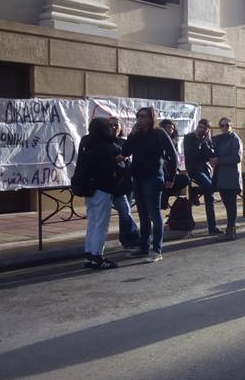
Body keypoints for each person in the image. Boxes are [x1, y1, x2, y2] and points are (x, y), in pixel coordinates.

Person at [121, 107, 178, 263]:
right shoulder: (137, 134)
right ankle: (144, 246)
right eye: (138, 116)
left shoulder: (159, 133)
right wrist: (131, 134)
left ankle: (156, 250)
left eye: (143, 116)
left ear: (151, 118)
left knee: (154, 213)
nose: (140, 119)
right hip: (138, 177)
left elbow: (173, 155)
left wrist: (171, 178)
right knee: (143, 214)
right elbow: (125, 152)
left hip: (153, 177)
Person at [75, 117, 127, 269]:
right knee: (101, 225)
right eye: (108, 126)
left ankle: (89, 255)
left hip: (88, 188)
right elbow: (110, 167)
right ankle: (97, 257)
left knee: (92, 222)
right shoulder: (107, 146)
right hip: (103, 188)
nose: (111, 128)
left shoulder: (86, 142)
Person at [106, 116, 140, 250]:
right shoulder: (103, 143)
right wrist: (115, 159)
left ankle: (126, 239)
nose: (114, 127)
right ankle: (132, 237)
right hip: (112, 184)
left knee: (126, 212)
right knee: (125, 211)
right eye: (111, 125)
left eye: (116, 125)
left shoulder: (124, 142)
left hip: (127, 182)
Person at [183, 119, 221, 235]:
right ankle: (195, 192)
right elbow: (191, 154)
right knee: (209, 188)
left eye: (204, 128)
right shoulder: (189, 137)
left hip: (205, 170)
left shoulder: (206, 140)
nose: (201, 129)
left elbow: (211, 155)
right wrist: (200, 142)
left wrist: (206, 142)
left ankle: (212, 227)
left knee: (211, 192)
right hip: (194, 169)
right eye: (200, 127)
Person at [211, 117, 243, 241]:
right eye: (222, 125)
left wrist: (219, 160)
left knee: (231, 205)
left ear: (231, 126)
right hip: (221, 177)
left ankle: (231, 230)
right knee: (227, 204)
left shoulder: (235, 139)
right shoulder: (219, 139)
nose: (224, 128)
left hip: (231, 177)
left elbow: (237, 158)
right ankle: (230, 230)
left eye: (227, 125)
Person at [159, 119, 191, 209]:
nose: (170, 130)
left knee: (185, 179)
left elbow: (174, 159)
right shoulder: (157, 140)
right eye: (168, 127)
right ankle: (163, 199)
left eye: (172, 128)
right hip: (160, 172)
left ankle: (166, 196)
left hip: (170, 172)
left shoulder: (173, 142)